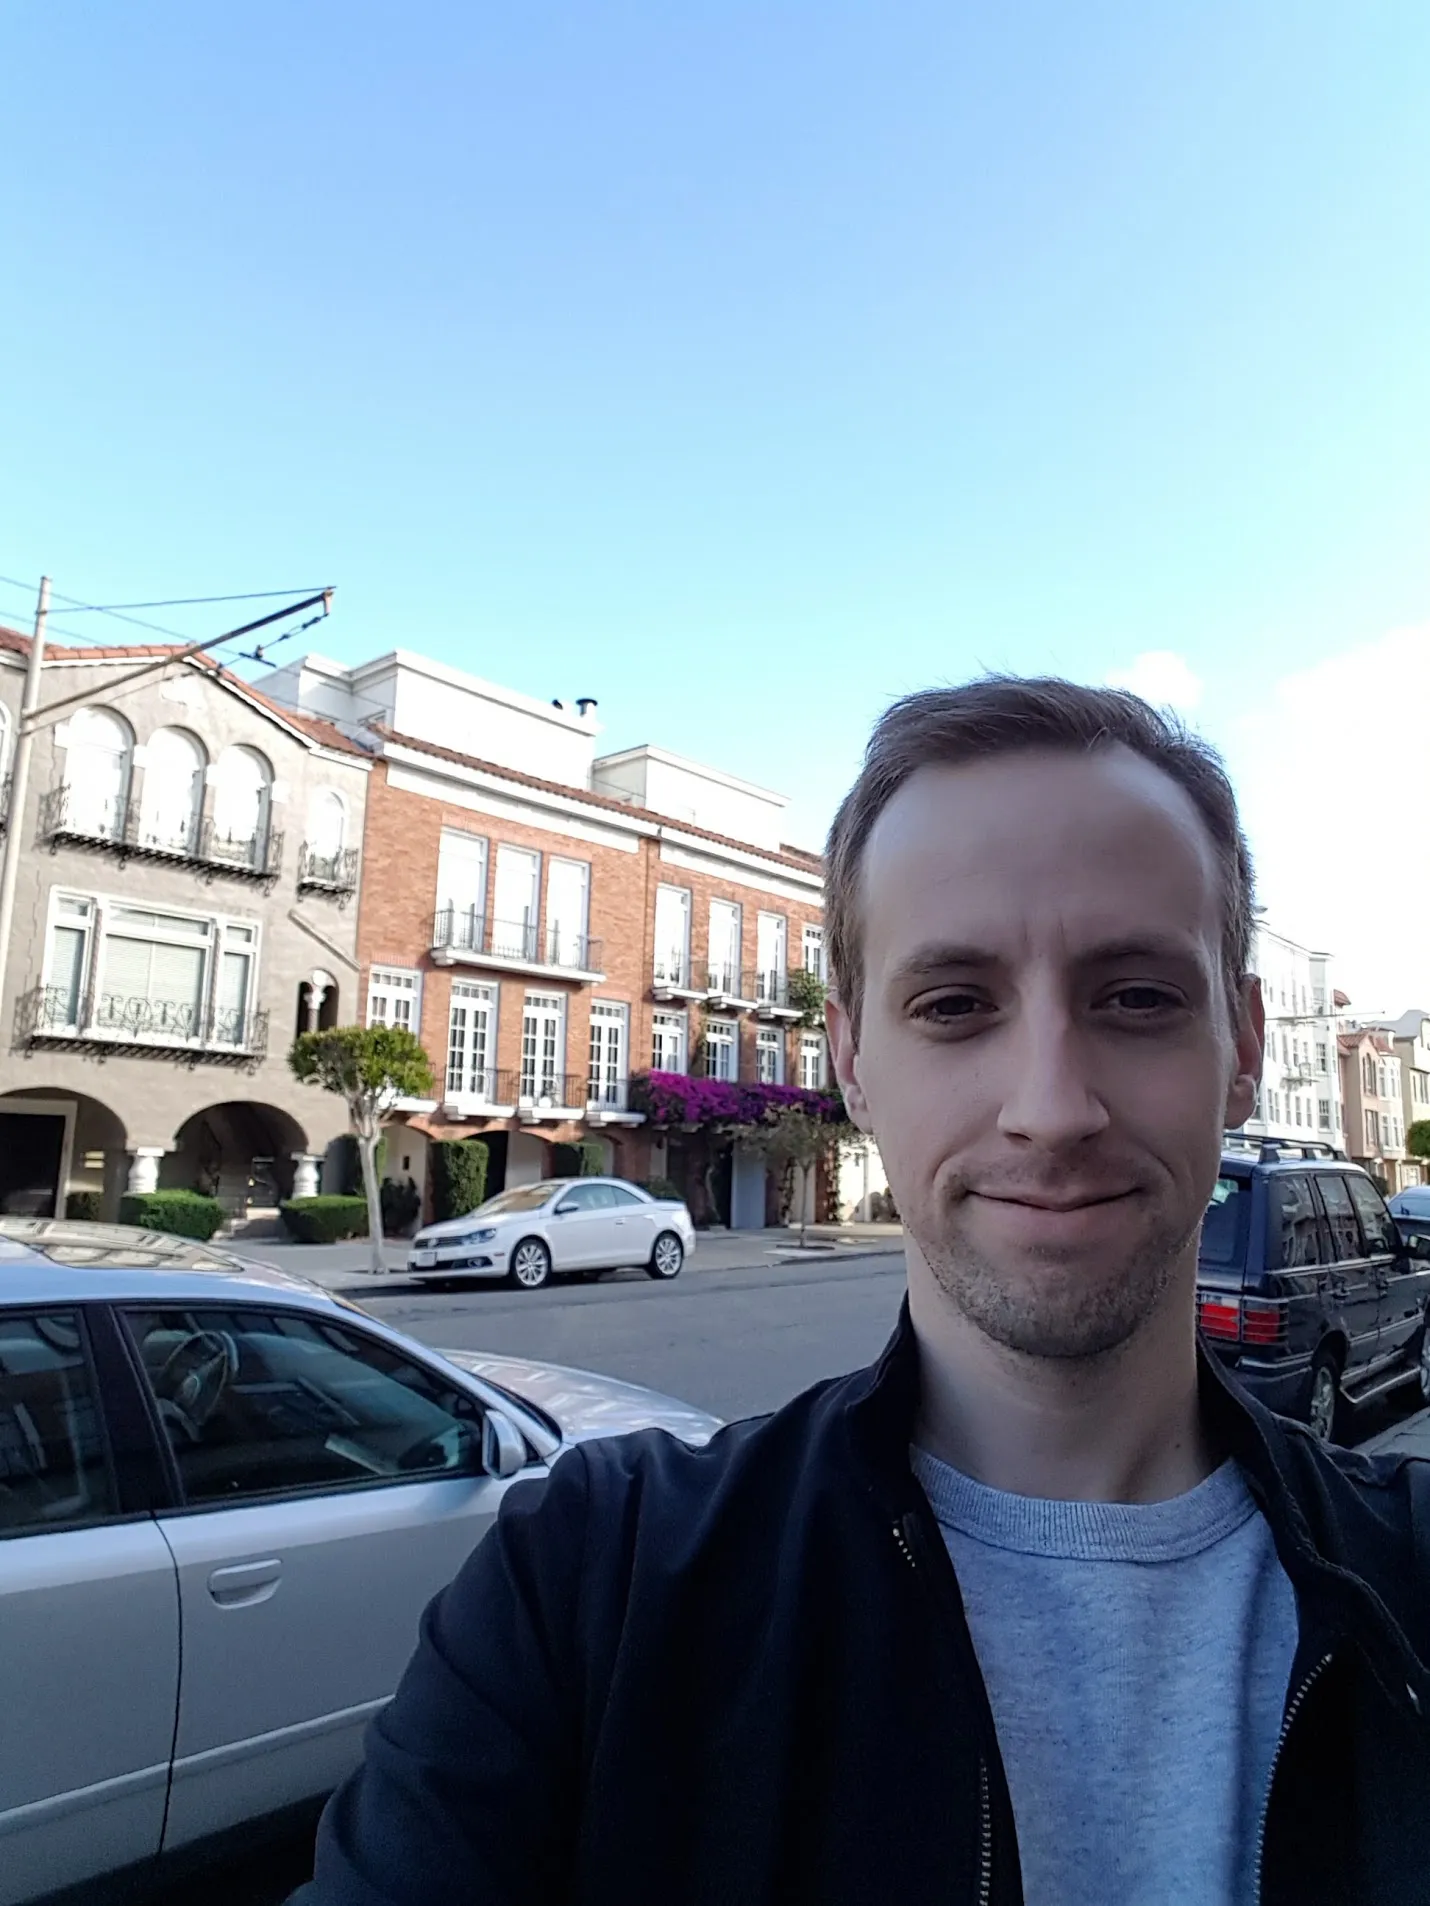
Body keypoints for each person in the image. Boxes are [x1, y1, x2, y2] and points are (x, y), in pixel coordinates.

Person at [295, 678, 1430, 1906]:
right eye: (953, 1005)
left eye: (1137, 998)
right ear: (848, 1061)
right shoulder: (590, 1592)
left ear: (1244, 1051)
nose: (1048, 1108)